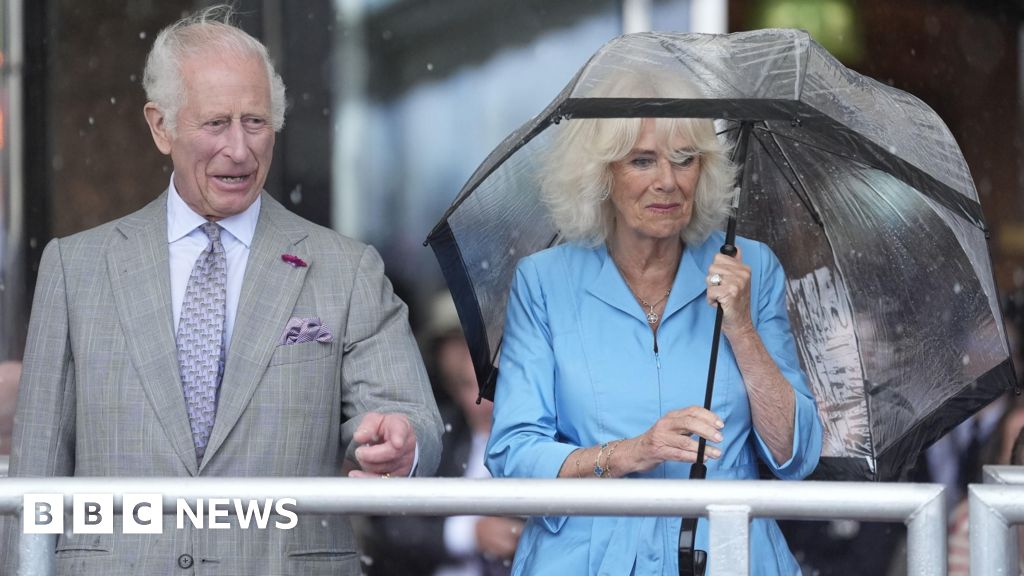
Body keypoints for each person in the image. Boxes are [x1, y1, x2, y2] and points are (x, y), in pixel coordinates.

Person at [4, 5, 442, 575]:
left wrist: (402, 445)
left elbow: (416, 423)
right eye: (215, 124)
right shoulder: (76, 268)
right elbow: (36, 475)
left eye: (255, 122)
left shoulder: (345, 269)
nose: (240, 149)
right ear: (161, 127)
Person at [484, 70, 823, 575]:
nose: (668, 179)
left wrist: (741, 328)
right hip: (588, 559)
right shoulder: (545, 281)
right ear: (602, 176)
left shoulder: (749, 266)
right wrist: (627, 454)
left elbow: (794, 455)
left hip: (729, 555)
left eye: (685, 159)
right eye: (643, 160)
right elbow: (513, 455)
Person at [365, 292, 522, 575]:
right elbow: (392, 524)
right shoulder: (439, 435)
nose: (481, 399)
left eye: (493, 384)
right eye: (465, 384)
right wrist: (466, 534)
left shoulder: (544, 439)